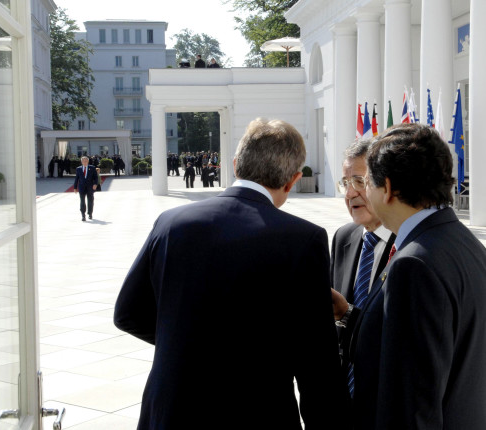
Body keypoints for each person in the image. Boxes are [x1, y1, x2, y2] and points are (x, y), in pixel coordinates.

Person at [114, 118, 347, 429]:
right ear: (292, 181)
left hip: (171, 412)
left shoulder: (171, 222)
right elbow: (315, 363)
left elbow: (128, 314)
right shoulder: (302, 239)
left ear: (236, 165)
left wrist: (192, 344)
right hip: (256, 412)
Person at [335, 123, 486, 430]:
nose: (358, 191)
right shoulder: (465, 243)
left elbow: (413, 403)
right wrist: (350, 317)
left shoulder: (413, 264)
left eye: (366, 181)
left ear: (387, 188)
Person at [330, 139, 395, 396]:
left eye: (359, 181)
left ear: (384, 185)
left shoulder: (410, 246)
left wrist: (347, 313)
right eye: (346, 183)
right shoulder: (343, 238)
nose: (349, 193)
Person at [73, 156, 98, 221]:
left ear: (88, 161)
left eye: (86, 161)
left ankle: (90, 213)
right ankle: (83, 215)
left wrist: (95, 184)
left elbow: (96, 177)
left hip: (90, 187)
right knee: (82, 201)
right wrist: (75, 187)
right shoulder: (78, 169)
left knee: (90, 201)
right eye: (83, 161)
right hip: (82, 187)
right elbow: (76, 178)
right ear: (81, 162)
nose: (85, 162)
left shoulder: (92, 168)